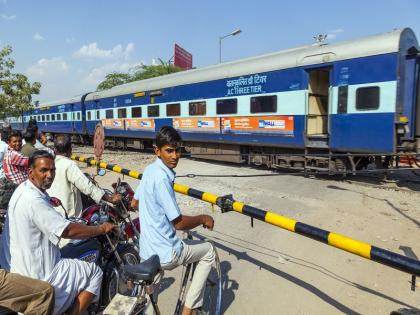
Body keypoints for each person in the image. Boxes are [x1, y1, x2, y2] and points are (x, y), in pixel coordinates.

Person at [0, 150, 118, 315]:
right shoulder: (34, 200)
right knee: (94, 273)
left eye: (52, 170)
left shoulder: (23, 190)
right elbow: (68, 230)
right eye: (44, 170)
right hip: (39, 275)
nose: (49, 175)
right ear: (30, 172)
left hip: (16, 271)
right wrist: (100, 228)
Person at [131, 126, 215, 315]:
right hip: (167, 253)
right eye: (169, 151)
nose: (175, 156)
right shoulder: (161, 178)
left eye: (178, 150)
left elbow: (134, 202)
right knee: (208, 251)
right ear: (157, 151)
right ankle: (189, 310)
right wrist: (203, 218)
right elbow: (179, 223)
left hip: (147, 252)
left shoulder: (150, 170)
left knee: (150, 302)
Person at [47, 134, 121, 220]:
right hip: (69, 218)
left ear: (55, 150)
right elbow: (87, 187)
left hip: (52, 212)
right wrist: (110, 199)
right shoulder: (69, 165)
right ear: (70, 150)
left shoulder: (51, 163)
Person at [0, 130, 28, 210]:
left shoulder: (12, 152)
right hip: (18, 188)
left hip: (18, 186)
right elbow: (32, 161)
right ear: (9, 143)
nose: (18, 143)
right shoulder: (14, 154)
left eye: (19, 141)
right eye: (14, 141)